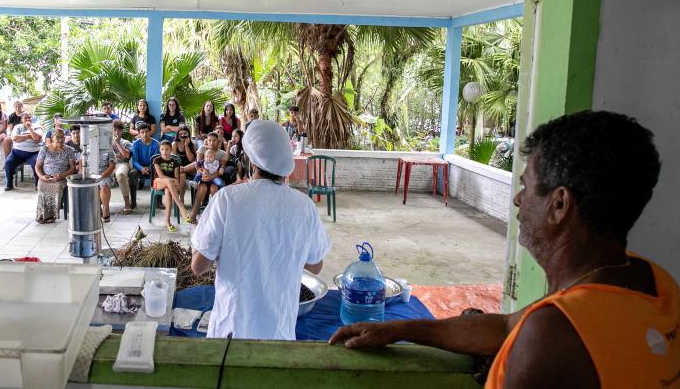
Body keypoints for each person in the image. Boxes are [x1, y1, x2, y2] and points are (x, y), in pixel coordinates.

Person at [329, 110, 679, 388]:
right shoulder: (653, 283)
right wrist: (402, 330)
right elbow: (510, 327)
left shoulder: (554, 334)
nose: (518, 199)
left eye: (527, 186)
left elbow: (532, 333)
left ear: (559, 205)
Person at [191, 120, 330, 340]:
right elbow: (315, 265)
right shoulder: (304, 206)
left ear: (250, 161)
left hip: (231, 332)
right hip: (279, 333)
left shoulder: (227, 198)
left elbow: (198, 266)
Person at [34, 128, 76, 223]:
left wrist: (62, 176)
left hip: (61, 178)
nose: (60, 140)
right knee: (41, 187)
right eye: (58, 137)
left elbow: (73, 168)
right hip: (46, 177)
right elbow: (37, 166)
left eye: (62, 137)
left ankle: (51, 215)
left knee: (57, 188)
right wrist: (41, 177)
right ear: (52, 138)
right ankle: (42, 214)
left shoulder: (69, 150)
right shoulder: (44, 149)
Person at [152, 140, 191, 232]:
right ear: (160, 150)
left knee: (168, 191)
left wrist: (174, 181)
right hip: (158, 182)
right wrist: (173, 181)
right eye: (162, 149)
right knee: (169, 181)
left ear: (171, 150)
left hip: (169, 185)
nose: (164, 151)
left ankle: (167, 221)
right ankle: (181, 207)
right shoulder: (157, 160)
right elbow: (161, 176)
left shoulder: (175, 162)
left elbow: (177, 177)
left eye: (167, 149)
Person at [190, 132, 228, 221]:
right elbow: (198, 165)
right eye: (209, 140)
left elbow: (221, 169)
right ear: (206, 141)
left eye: (214, 140)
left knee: (214, 189)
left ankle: (217, 215)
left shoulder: (222, 153)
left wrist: (211, 177)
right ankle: (194, 213)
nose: (211, 142)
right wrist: (204, 173)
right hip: (203, 176)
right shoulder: (202, 149)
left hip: (214, 178)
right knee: (202, 188)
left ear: (218, 141)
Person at [4, 112, 43, 191]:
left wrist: (30, 129)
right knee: (8, 162)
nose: (28, 119)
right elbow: (14, 138)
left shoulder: (38, 127)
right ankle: (9, 184)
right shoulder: (17, 127)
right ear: (22, 120)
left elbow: (38, 138)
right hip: (17, 153)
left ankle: (38, 184)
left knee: (37, 163)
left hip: (34, 153)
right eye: (25, 118)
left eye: (29, 117)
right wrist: (29, 136)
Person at [128, 122, 159, 210]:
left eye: (146, 131)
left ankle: (158, 201)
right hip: (139, 167)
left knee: (159, 175)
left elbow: (155, 160)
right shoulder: (135, 144)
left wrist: (149, 168)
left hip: (152, 167)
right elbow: (135, 160)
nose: (145, 134)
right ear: (139, 133)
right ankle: (133, 201)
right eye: (142, 132)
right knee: (132, 174)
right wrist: (141, 168)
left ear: (150, 132)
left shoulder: (155, 144)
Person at [110, 120, 133, 214]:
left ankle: (127, 203)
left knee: (121, 174)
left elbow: (127, 156)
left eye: (118, 130)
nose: (116, 132)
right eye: (114, 130)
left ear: (122, 131)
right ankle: (100, 204)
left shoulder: (126, 142)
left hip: (122, 164)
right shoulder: (106, 142)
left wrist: (118, 143)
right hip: (109, 164)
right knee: (99, 175)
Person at [173, 126, 198, 202]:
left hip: (190, 167)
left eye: (185, 133)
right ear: (178, 134)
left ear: (188, 134)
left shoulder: (193, 144)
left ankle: (181, 200)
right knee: (182, 175)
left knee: (185, 170)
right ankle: (182, 199)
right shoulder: (174, 144)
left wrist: (186, 145)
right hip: (179, 168)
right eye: (181, 133)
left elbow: (191, 159)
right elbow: (173, 160)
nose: (183, 135)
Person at [95, 142, 117, 222]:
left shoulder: (109, 149)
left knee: (104, 184)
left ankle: (105, 209)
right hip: (91, 175)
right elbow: (81, 164)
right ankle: (96, 209)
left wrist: (102, 176)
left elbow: (112, 166)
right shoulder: (87, 148)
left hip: (105, 175)